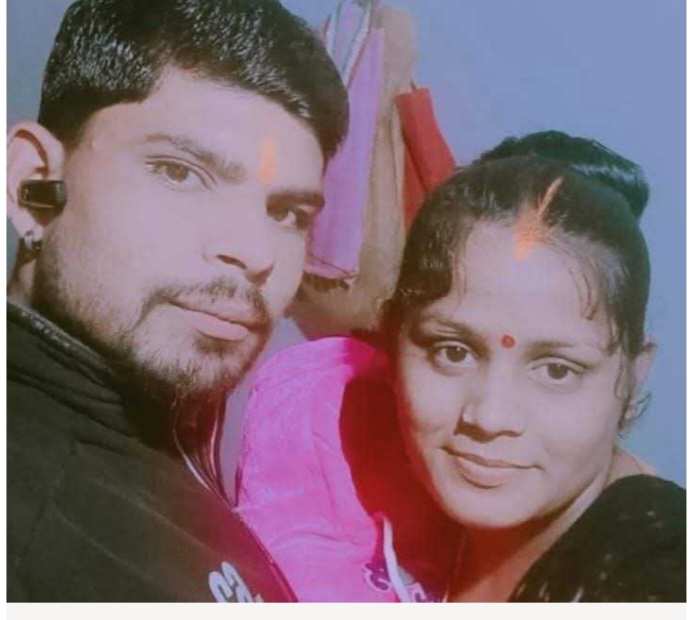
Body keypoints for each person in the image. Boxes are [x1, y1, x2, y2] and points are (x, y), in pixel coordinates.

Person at [234, 131, 685, 602]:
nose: (489, 417)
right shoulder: (409, 506)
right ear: (393, 341)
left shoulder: (657, 568)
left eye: (556, 370)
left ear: (633, 374)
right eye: (453, 352)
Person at [6, 0, 347, 602]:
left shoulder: (161, 419)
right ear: (34, 187)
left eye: (287, 214)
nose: (255, 253)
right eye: (180, 173)